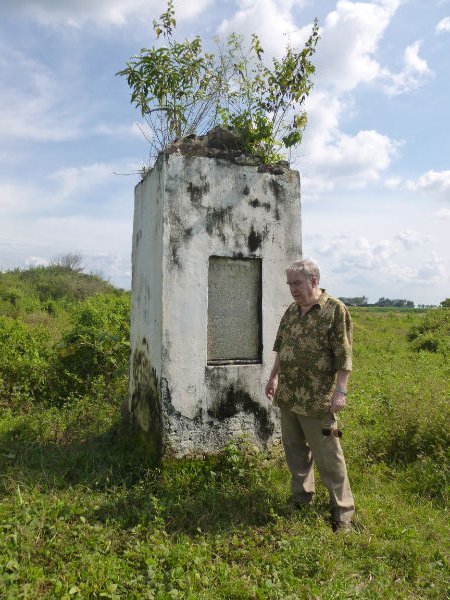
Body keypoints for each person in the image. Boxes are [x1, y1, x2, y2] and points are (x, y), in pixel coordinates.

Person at [265, 258, 355, 532]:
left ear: (314, 280)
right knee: (295, 453)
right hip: (289, 396)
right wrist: (273, 376)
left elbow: (344, 356)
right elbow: (282, 348)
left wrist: (340, 391)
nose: (292, 288)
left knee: (329, 458)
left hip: (318, 400)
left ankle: (343, 515)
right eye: (290, 283)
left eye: (297, 283)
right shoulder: (292, 311)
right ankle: (302, 498)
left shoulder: (334, 311)